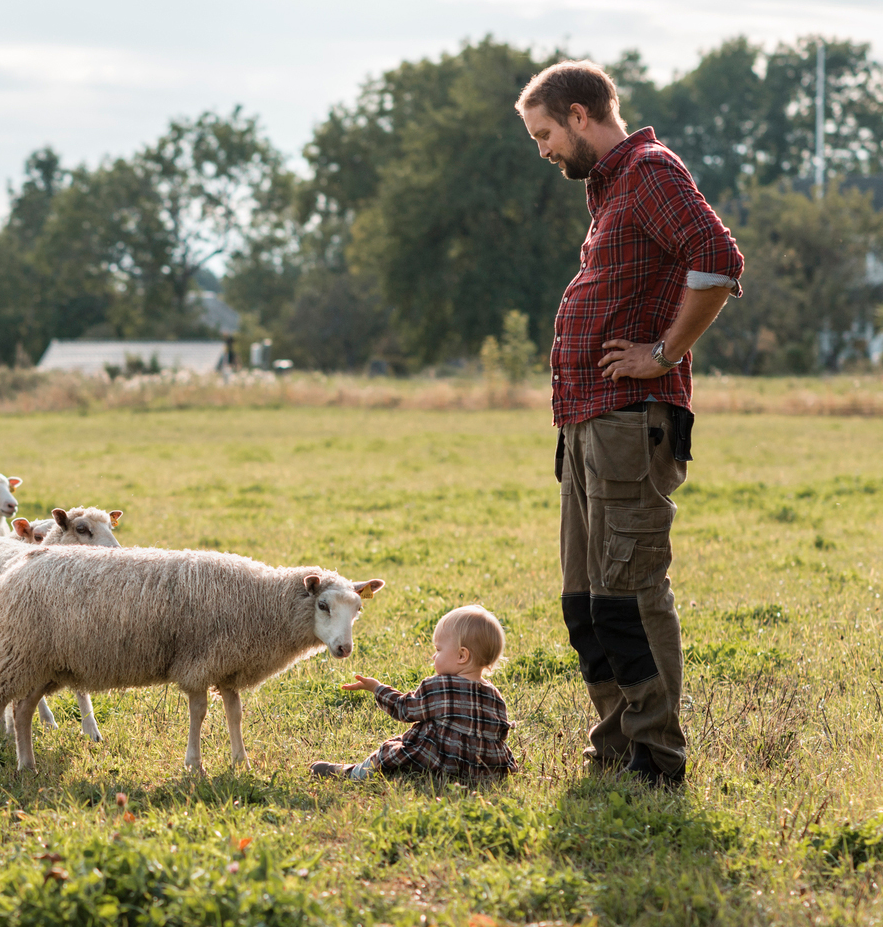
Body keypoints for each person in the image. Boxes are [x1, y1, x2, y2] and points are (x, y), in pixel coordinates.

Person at [516, 61, 744, 787]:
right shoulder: (609, 189)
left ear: (580, 114)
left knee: (628, 591)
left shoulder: (646, 169)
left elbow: (716, 257)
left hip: (627, 421)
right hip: (586, 422)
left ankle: (654, 757)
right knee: (585, 599)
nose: (543, 149)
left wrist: (662, 352)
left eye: (545, 133)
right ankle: (614, 744)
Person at [311, 605, 516, 780]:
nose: (434, 655)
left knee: (391, 750)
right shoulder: (495, 695)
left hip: (439, 763)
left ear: (462, 655)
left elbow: (404, 709)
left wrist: (377, 688)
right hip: (486, 770)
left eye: (439, 649)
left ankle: (353, 772)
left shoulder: (440, 687)